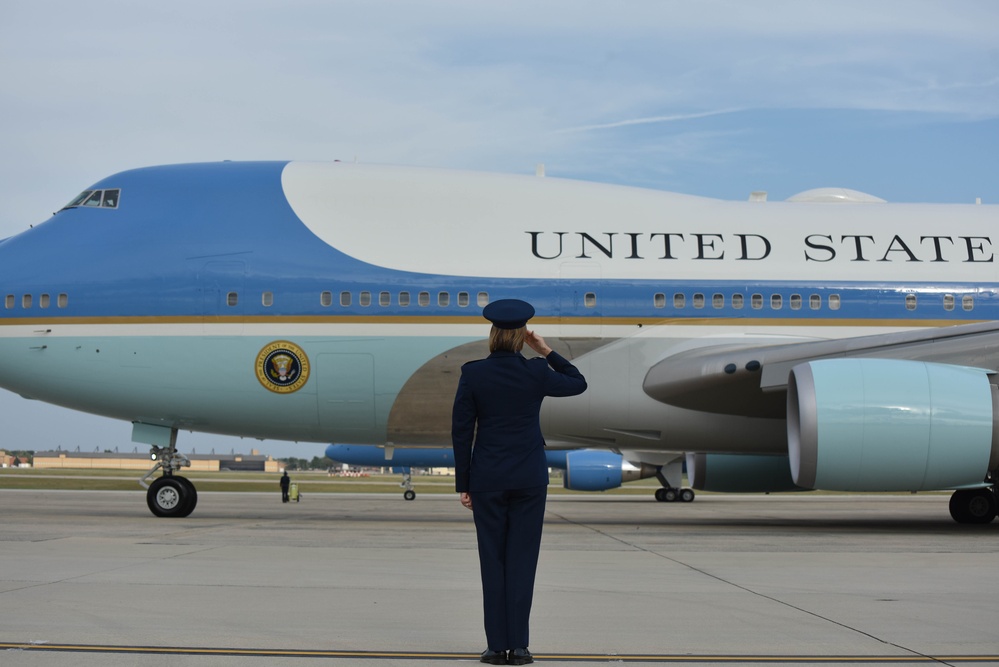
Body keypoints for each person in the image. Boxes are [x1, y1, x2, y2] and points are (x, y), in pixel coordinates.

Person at [452, 299, 587, 666]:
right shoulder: (537, 372)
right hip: (529, 478)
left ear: (493, 334)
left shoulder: (473, 373)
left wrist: (463, 483)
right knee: (522, 562)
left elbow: (462, 432)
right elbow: (578, 383)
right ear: (521, 336)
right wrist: (545, 350)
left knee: (492, 563)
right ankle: (521, 647)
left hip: (488, 479)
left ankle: (497, 647)